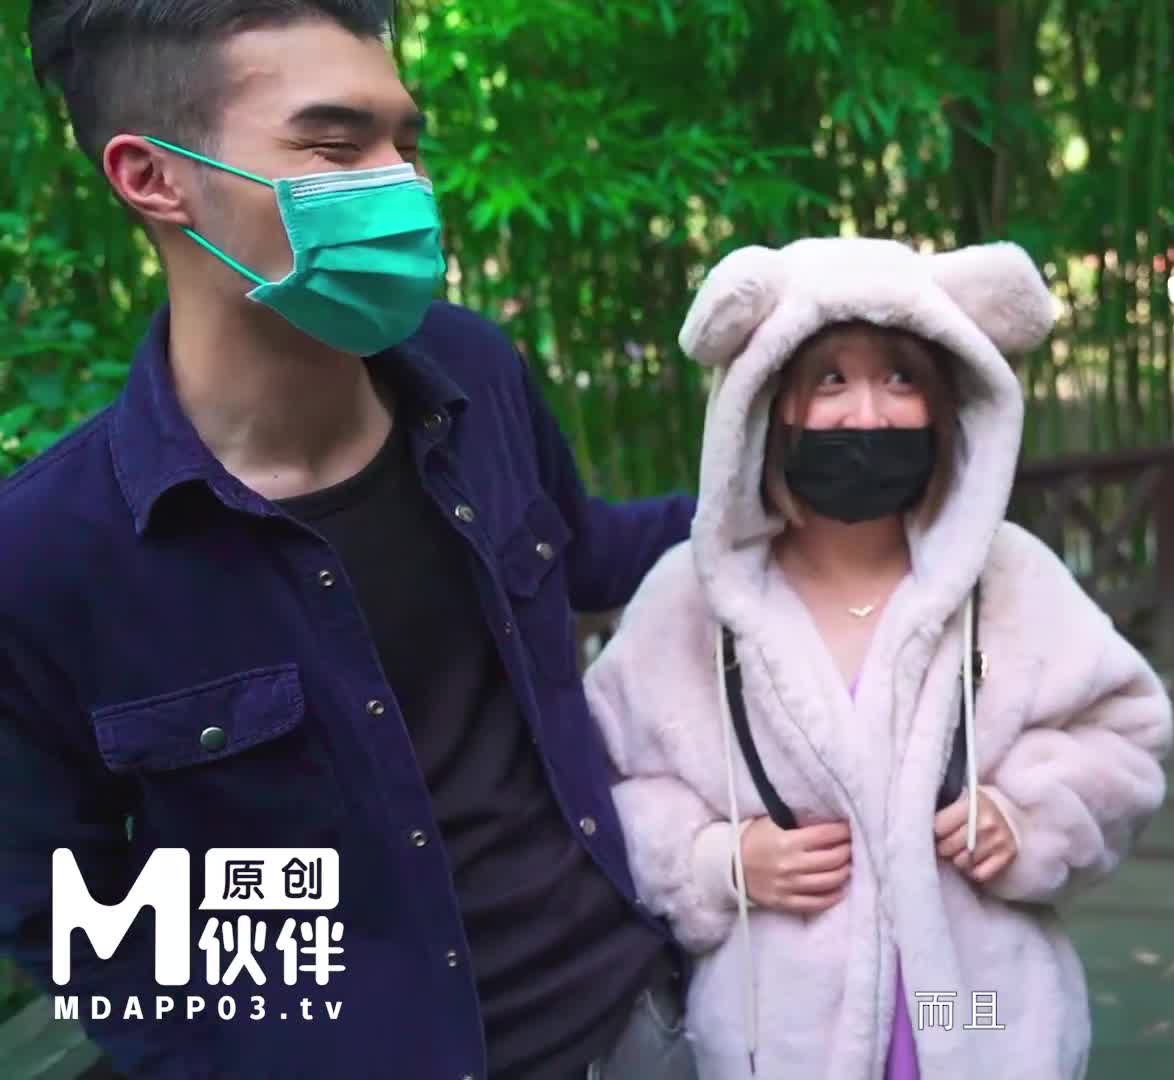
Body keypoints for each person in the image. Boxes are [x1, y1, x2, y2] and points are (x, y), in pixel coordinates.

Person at [6, 2, 696, 1077]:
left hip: (632, 1025)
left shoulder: (472, 372)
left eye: (406, 143)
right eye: (335, 146)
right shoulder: (46, 555)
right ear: (153, 177)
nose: (403, 185)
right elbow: (60, 908)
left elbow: (585, 553)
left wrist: (786, 483)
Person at [582, 236, 1174, 1080]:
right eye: (830, 380)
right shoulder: (692, 598)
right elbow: (602, 782)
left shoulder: (1008, 577)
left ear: (946, 400)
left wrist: (1029, 818)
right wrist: (715, 862)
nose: (868, 414)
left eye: (900, 378)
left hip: (971, 1010)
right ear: (770, 402)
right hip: (774, 1034)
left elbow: (1124, 733)